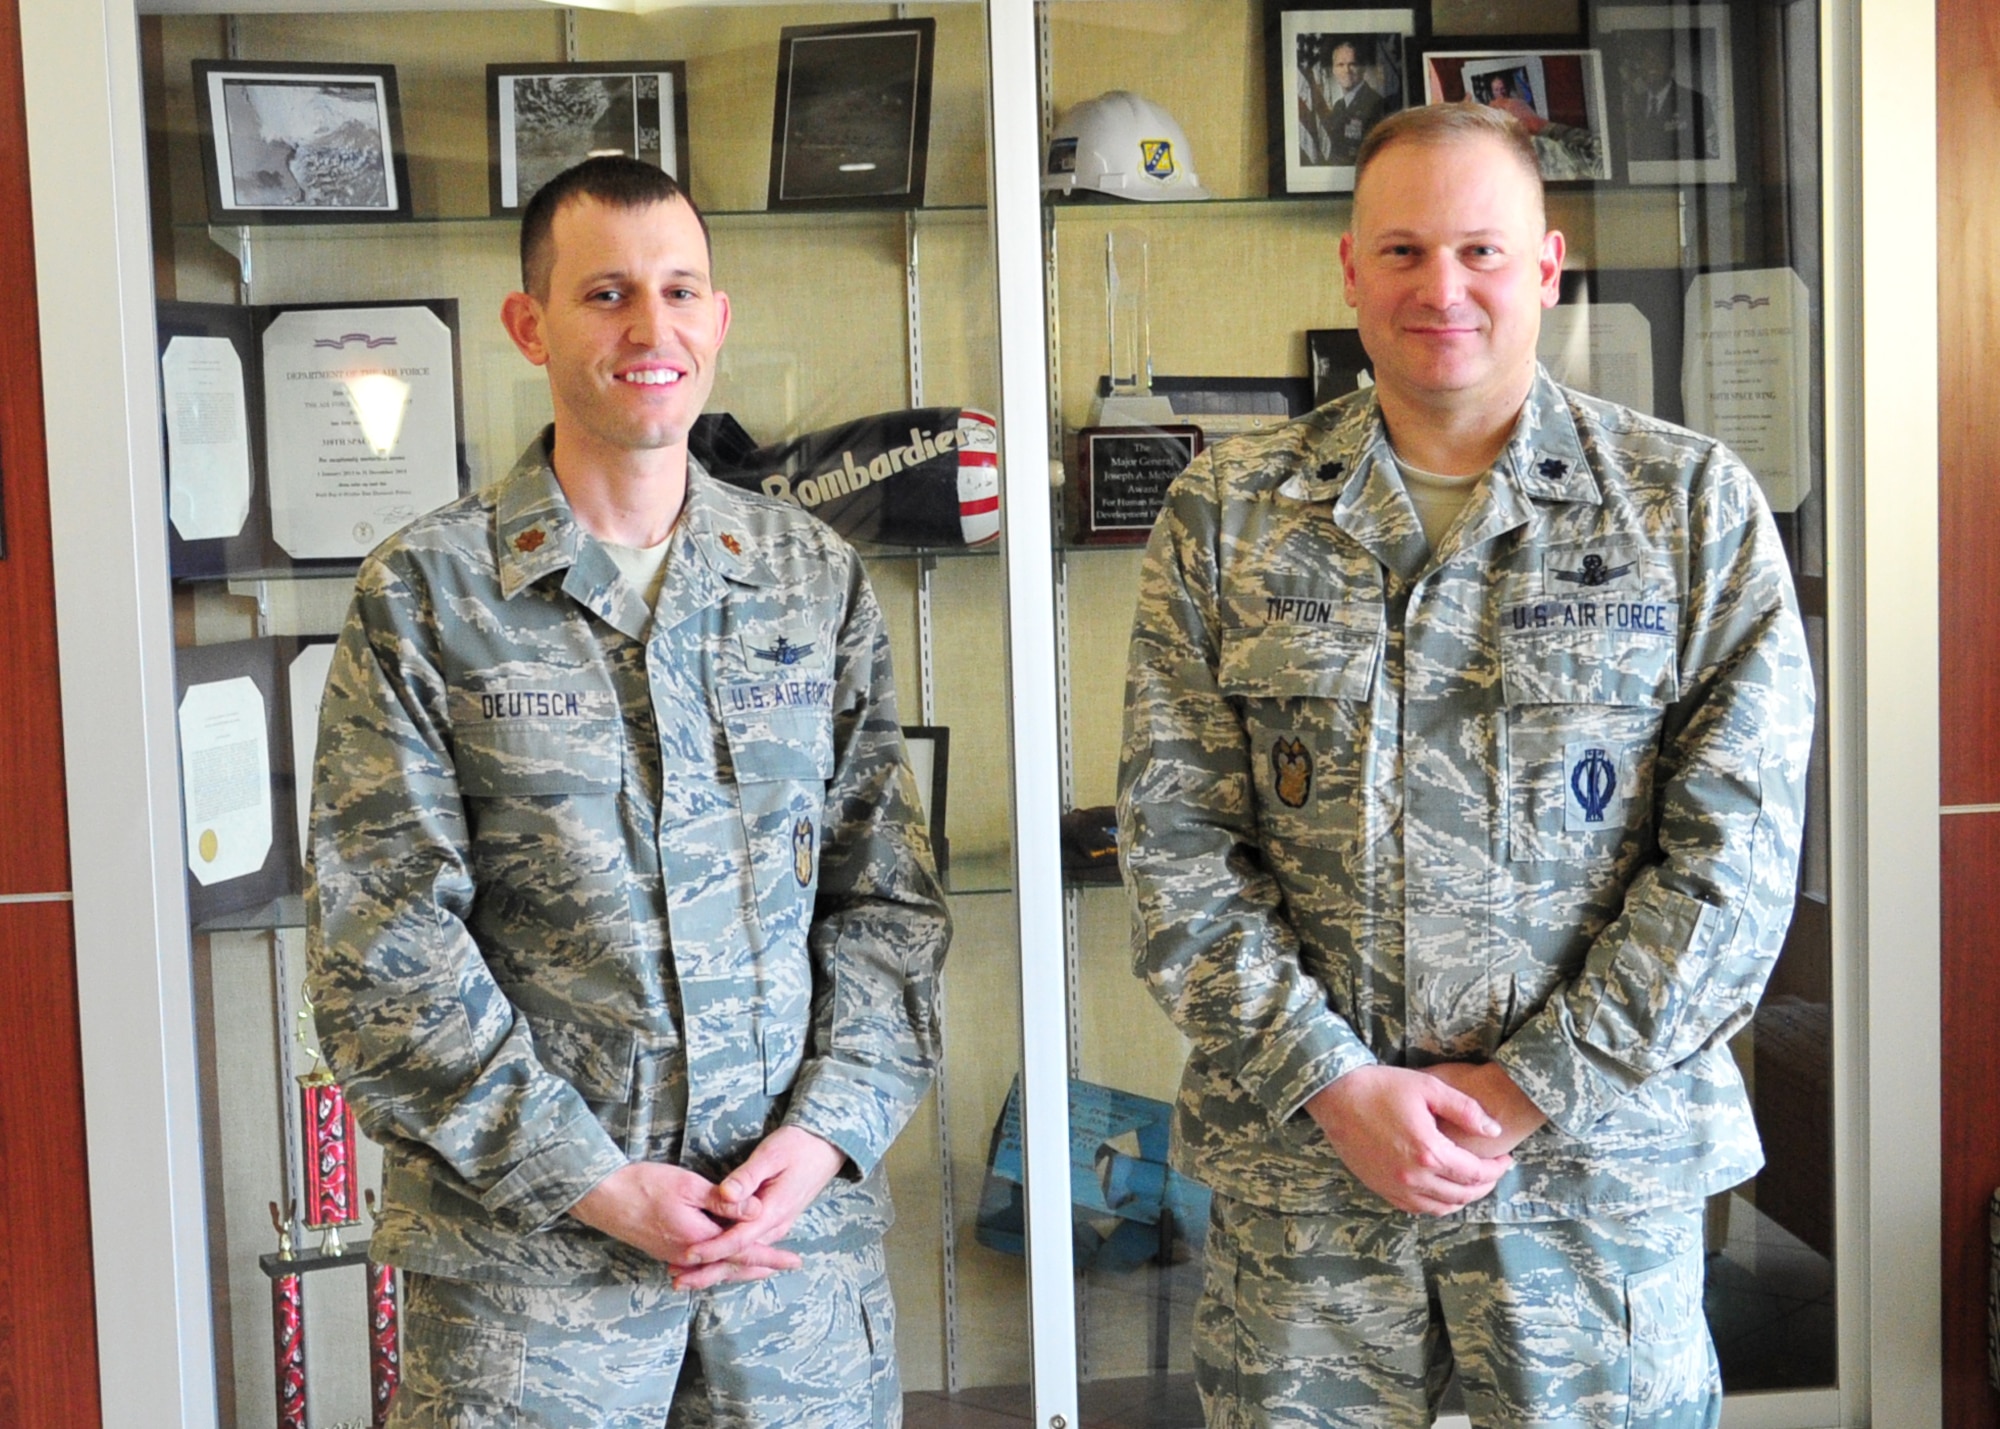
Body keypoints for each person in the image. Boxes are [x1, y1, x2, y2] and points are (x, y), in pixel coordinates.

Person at [1117, 102, 1811, 1428]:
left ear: (1548, 266)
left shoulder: (1687, 507)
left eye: (1482, 252)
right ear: (1349, 269)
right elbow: (1175, 849)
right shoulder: (1229, 511)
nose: (1444, 289)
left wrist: (1522, 1090)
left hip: (1590, 1179)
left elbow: (1739, 861)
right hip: (1311, 1177)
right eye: (1404, 251)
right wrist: (1335, 1081)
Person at [307, 156, 950, 1428]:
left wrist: (819, 1138)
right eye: (606, 294)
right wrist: (593, 1181)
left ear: (717, 317)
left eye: (678, 291)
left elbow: (887, 907)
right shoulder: (427, 594)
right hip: (532, 1287)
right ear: (528, 323)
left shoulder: (809, 581)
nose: (650, 330)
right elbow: (382, 949)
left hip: (792, 1276)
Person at [1617, 37, 1720, 163]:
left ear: (1671, 65)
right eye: (1646, 59)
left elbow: (1712, 153)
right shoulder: (1633, 103)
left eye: (1658, 59)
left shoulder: (1695, 101)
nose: (1651, 66)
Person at [1324, 41, 1389, 166]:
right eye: (1340, 65)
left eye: (1352, 64)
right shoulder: (1338, 106)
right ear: (1333, 70)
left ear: (1363, 68)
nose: (1346, 70)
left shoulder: (1376, 104)